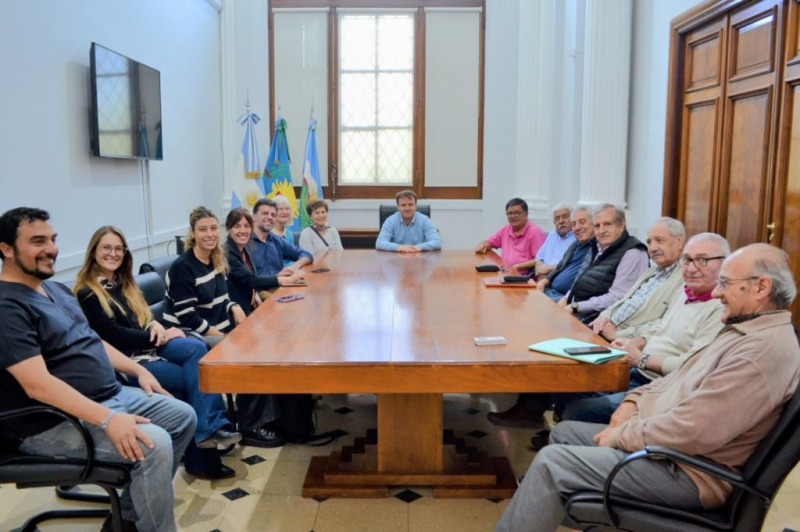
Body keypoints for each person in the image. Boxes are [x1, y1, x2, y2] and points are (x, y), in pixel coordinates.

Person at [496, 243, 800, 532]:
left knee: (552, 463)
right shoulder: (744, 330)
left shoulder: (760, 352)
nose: (717, 292)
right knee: (565, 432)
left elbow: (694, 431)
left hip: (690, 471)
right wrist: (633, 402)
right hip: (671, 451)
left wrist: (623, 435)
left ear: (762, 288)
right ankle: (554, 506)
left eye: (726, 284)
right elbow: (676, 380)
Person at [0, 207, 196, 532]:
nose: (51, 248)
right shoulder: (8, 307)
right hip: (51, 422)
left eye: (52, 239)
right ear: (6, 249)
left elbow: (93, 341)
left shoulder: (56, 290)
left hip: (111, 394)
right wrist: (108, 419)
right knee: (155, 445)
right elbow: (38, 386)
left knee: (183, 417)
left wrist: (137, 369)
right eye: (38, 241)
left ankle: (129, 520)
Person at [74, 225, 241, 480]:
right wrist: (154, 339)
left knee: (196, 349)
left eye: (118, 248)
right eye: (106, 248)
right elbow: (111, 336)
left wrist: (156, 326)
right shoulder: (88, 292)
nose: (113, 253)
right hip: (125, 363)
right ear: (93, 252)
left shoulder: (122, 284)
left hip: (147, 346)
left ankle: (209, 431)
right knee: (191, 378)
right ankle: (205, 446)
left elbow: (141, 319)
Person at [556, 232, 729, 425]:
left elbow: (693, 367)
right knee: (566, 383)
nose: (691, 268)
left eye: (703, 260)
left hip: (660, 386)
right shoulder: (686, 292)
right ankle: (565, 435)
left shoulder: (721, 309)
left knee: (579, 409)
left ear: (725, 265)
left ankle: (586, 442)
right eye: (687, 260)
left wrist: (641, 359)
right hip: (635, 367)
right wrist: (634, 342)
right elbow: (659, 324)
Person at [164, 206, 285, 448]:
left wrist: (233, 307)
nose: (209, 234)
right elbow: (189, 318)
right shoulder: (182, 267)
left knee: (266, 343)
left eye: (212, 229)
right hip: (191, 336)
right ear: (192, 234)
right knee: (251, 354)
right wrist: (223, 335)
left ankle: (267, 417)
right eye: (202, 230)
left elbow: (223, 297)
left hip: (217, 327)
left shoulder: (215, 259)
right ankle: (251, 426)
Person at [588, 216, 686, 341]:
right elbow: (623, 300)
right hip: (604, 331)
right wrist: (604, 317)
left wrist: (618, 335)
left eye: (659, 240)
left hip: (625, 342)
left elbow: (665, 324)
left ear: (679, 242)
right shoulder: (651, 272)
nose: (652, 248)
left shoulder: (685, 278)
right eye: (649, 242)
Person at [560, 203, 649, 323]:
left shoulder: (633, 253)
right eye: (597, 226)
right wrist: (565, 298)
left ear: (622, 224)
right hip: (576, 312)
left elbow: (618, 297)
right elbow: (579, 282)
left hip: (599, 321)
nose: (601, 231)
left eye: (607, 224)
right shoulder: (596, 247)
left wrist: (576, 306)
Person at [224, 207, 305, 313]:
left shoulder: (244, 248)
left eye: (247, 226)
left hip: (250, 304)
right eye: (237, 226)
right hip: (236, 311)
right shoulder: (228, 252)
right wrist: (288, 280)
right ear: (228, 229)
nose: (243, 231)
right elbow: (252, 280)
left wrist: (255, 291)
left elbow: (247, 277)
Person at [536, 207, 595, 302]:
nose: (577, 227)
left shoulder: (596, 248)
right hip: (550, 291)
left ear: (593, 223)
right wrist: (543, 282)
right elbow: (560, 266)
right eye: (574, 224)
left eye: (582, 222)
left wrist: (566, 299)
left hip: (565, 299)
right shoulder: (575, 244)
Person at [475, 198, 546, 274]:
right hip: (506, 273)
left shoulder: (535, 232)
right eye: (510, 213)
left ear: (526, 214)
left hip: (524, 278)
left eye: (517, 213)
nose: (513, 216)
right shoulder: (506, 229)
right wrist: (482, 245)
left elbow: (540, 259)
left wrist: (517, 267)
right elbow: (490, 242)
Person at [250, 198, 313, 276]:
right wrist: (277, 278)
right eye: (265, 213)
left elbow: (307, 255)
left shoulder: (277, 240)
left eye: (273, 215)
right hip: (259, 287)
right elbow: (247, 279)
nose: (270, 217)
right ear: (254, 217)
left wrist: (294, 267)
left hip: (283, 286)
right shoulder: (245, 242)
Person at [376, 190, 441, 252]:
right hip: (396, 258)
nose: (407, 208)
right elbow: (380, 243)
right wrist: (399, 247)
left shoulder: (424, 220)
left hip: (419, 258)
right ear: (398, 207)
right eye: (403, 205)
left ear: (416, 206)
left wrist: (419, 247)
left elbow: (437, 242)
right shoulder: (390, 221)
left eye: (410, 204)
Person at [531, 203, 575, 280]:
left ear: (573, 219)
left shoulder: (577, 239)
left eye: (565, 217)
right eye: (557, 218)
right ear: (554, 223)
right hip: (541, 278)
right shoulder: (552, 235)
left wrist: (547, 269)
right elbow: (539, 258)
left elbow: (570, 266)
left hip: (558, 280)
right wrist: (539, 271)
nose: (561, 221)